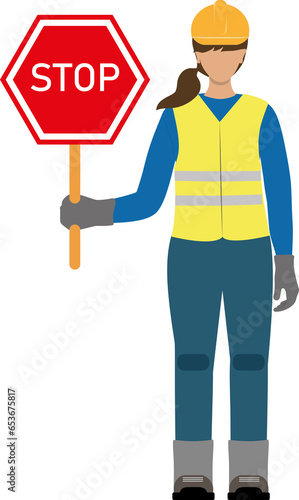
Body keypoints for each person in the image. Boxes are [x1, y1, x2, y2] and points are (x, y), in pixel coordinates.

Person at [61, 1, 298, 498]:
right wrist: (89, 212)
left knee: (251, 360)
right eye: (210, 48)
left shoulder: (261, 115)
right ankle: (192, 474)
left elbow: (279, 190)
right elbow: (148, 199)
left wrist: (285, 259)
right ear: (196, 52)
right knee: (192, 359)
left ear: (243, 55)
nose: (219, 57)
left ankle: (249, 474)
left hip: (250, 256)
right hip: (190, 258)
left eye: (229, 48)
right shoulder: (176, 116)